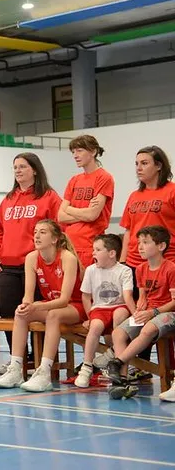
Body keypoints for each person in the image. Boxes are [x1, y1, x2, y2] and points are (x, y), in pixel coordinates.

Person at [0, 220, 86, 392]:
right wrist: (27, 306)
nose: (36, 235)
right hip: (50, 305)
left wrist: (37, 307)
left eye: (42, 232)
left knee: (53, 315)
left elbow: (64, 300)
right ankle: (15, 369)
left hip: (75, 306)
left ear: (55, 239)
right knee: (20, 313)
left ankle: (44, 372)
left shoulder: (67, 258)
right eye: (35, 231)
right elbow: (28, 296)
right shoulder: (31, 258)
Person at [0, 153, 61, 373]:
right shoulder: (9, 199)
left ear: (35, 170)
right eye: (15, 167)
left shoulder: (49, 197)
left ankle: (42, 359)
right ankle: (17, 359)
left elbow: (59, 230)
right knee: (7, 311)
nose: (18, 171)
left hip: (37, 265)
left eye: (22, 167)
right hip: (9, 266)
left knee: (39, 312)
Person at [117, 146, 175, 370]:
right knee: (137, 313)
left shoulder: (171, 191)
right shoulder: (134, 196)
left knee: (159, 314)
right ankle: (138, 367)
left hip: (164, 262)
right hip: (134, 263)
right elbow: (128, 231)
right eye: (137, 163)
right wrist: (122, 263)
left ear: (159, 165)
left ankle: (164, 369)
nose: (139, 168)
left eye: (144, 163)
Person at [106, 225, 175, 401]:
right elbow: (143, 296)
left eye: (145, 242)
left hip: (167, 312)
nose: (140, 247)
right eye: (139, 243)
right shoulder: (140, 269)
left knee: (148, 329)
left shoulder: (171, 269)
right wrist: (139, 309)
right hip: (149, 312)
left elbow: (174, 302)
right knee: (118, 332)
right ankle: (120, 382)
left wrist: (153, 312)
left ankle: (117, 362)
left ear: (161, 246)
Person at [75, 234, 134, 388]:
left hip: (119, 306)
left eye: (98, 249)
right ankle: (87, 367)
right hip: (99, 308)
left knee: (119, 316)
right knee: (95, 326)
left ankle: (117, 364)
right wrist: (89, 317)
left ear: (111, 253)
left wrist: (136, 316)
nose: (93, 253)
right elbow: (86, 297)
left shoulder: (124, 270)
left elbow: (127, 297)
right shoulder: (90, 270)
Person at [58, 135, 114, 268]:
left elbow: (92, 215)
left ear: (93, 151)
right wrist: (84, 213)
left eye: (79, 150)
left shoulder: (104, 177)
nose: (75, 155)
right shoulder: (74, 180)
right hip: (70, 245)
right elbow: (60, 217)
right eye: (73, 152)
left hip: (90, 246)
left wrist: (69, 209)